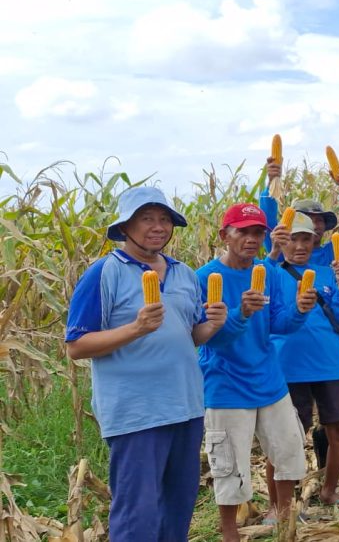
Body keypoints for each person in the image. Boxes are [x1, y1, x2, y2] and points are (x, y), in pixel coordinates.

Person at [65, 187, 227, 541]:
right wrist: (136, 328)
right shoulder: (104, 272)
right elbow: (76, 346)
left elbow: (190, 337)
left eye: (164, 219)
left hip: (186, 408)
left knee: (178, 506)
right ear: (124, 227)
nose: (158, 226)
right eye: (146, 218)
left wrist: (212, 325)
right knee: (138, 513)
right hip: (136, 413)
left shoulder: (184, 274)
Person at [197, 203, 316, 540]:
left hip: (269, 380)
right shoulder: (205, 278)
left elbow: (279, 324)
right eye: (243, 231)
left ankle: (283, 514)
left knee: (289, 448)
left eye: (258, 232)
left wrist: (300, 310)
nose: (251, 239)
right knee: (229, 463)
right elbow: (208, 340)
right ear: (225, 235)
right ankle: (230, 530)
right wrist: (240, 314)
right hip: (226, 384)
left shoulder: (270, 274)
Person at [268, 213, 339, 505]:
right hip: (289, 367)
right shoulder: (270, 272)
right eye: (292, 238)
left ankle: (329, 491)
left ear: (314, 240)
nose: (299, 245)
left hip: (331, 364)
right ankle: (279, 505)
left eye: (306, 238)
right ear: (282, 240)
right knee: (287, 438)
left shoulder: (328, 272)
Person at [262, 156, 339, 265]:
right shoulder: (281, 250)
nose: (314, 226)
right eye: (308, 220)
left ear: (325, 226)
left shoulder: (332, 252)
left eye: (319, 220)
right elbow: (267, 220)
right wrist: (273, 183)